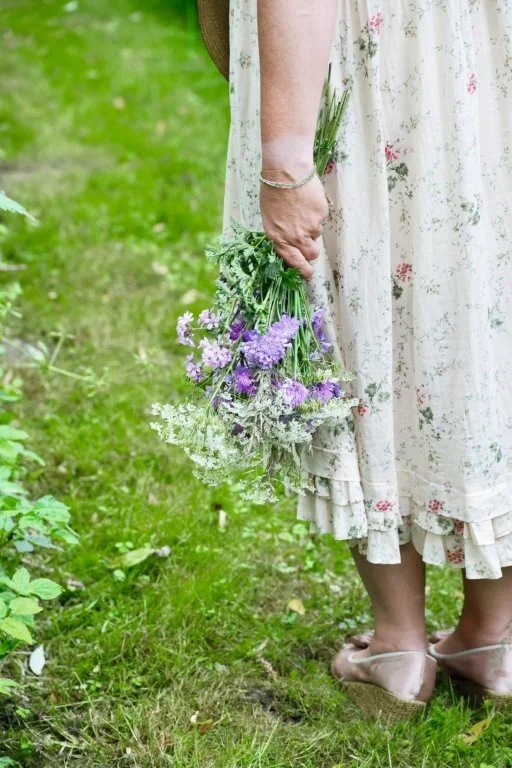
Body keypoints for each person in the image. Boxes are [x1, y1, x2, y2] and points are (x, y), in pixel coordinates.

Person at [201, 0, 512, 719]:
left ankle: (399, 650)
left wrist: (285, 157)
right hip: (480, 62)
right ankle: (493, 639)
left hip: (367, 72)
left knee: (372, 324)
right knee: (484, 317)